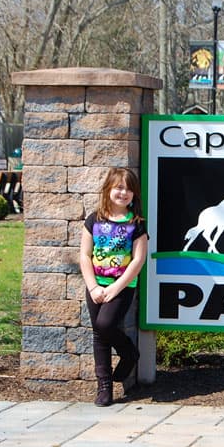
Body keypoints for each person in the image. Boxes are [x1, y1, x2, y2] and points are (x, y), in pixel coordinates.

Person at [79, 167, 148, 407]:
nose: (124, 193)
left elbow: (138, 261)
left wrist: (115, 289)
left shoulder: (137, 224)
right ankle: (104, 388)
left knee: (105, 325)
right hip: (96, 285)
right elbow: (85, 256)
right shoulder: (94, 220)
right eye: (119, 187)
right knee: (100, 334)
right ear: (108, 189)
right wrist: (93, 287)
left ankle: (128, 352)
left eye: (129, 189)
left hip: (121, 287)